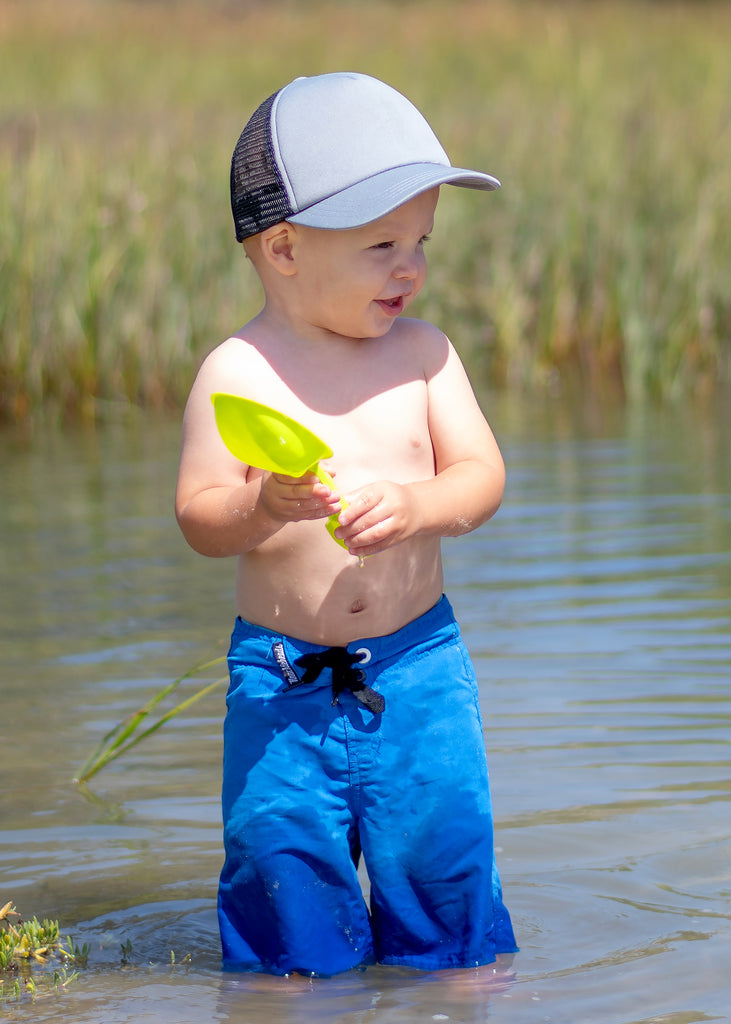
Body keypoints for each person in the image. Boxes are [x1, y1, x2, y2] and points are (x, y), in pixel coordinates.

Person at [175, 71, 518, 977]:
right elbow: (201, 519)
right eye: (381, 246)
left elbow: (481, 480)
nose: (411, 267)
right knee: (283, 895)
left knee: (443, 888)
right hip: (280, 686)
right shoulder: (237, 372)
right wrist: (258, 506)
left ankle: (456, 992)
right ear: (283, 248)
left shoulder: (423, 356)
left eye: (420, 242)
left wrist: (418, 506)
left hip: (418, 673)